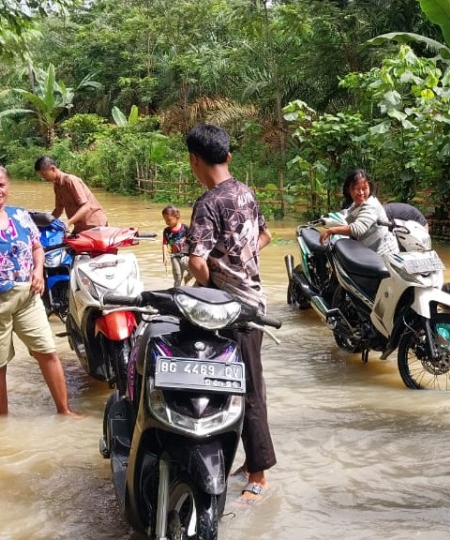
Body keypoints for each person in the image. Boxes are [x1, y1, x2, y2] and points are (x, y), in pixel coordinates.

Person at [181, 124, 276, 503]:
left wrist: (215, 282)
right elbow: (265, 236)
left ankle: (259, 474)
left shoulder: (208, 202)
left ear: (194, 160)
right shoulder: (244, 193)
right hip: (254, 302)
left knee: (246, 388)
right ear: (228, 157)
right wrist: (241, 261)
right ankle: (244, 461)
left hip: (232, 311)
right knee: (240, 383)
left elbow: (196, 262)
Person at [0, 164, 78, 417]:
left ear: (8, 187)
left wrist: (38, 271)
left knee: (48, 352)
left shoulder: (21, 216)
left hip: (28, 297)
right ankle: (2, 420)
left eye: (1, 184)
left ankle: (64, 411)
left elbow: (36, 248)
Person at [320, 169, 399, 256]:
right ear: (348, 190)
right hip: (370, 250)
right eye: (357, 189)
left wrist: (331, 231)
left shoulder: (371, 204)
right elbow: (346, 213)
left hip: (384, 254)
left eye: (364, 188)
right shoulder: (357, 203)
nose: (361, 193)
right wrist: (327, 217)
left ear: (370, 187)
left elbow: (357, 229)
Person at [34, 156, 108, 234]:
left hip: (95, 225)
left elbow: (86, 207)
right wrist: (47, 224)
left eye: (44, 174)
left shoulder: (71, 181)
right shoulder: (57, 185)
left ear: (53, 169)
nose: (43, 178)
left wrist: (68, 223)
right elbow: (58, 209)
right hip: (80, 227)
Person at [161, 204, 190, 286]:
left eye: (169, 220)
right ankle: (176, 289)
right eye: (165, 220)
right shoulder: (166, 231)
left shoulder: (185, 228)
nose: (166, 222)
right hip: (174, 256)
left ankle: (187, 278)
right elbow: (164, 244)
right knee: (177, 275)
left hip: (186, 255)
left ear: (177, 217)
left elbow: (192, 240)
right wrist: (165, 256)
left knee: (194, 270)